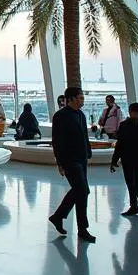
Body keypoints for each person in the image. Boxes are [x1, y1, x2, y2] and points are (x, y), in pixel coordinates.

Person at [49, 87, 95, 242]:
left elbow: (84, 136)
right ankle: (60, 216)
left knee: (81, 192)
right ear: (72, 99)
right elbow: (58, 141)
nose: (83, 100)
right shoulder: (60, 116)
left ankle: (80, 228)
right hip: (69, 159)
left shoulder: (81, 115)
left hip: (81, 158)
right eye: (80, 97)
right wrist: (60, 162)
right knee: (82, 190)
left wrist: (88, 152)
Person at [110, 102, 138, 217]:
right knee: (131, 183)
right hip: (129, 159)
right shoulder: (124, 125)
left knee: (137, 184)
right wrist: (114, 160)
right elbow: (120, 144)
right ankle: (134, 206)